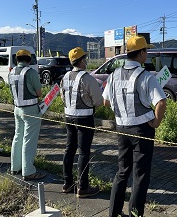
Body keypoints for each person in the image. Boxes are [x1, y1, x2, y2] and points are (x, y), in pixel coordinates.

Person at [103, 35, 167, 217]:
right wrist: (155, 122)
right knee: (140, 176)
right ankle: (135, 214)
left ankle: (113, 213)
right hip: (142, 130)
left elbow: (106, 102)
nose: (147, 53)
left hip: (121, 129)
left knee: (122, 172)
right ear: (141, 53)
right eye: (146, 50)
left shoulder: (114, 75)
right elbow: (161, 103)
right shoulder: (146, 76)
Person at [60, 47, 103, 197]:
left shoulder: (64, 77)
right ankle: (83, 187)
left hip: (68, 117)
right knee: (83, 152)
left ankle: (67, 183)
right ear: (82, 60)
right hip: (85, 118)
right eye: (85, 58)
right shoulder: (88, 78)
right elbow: (98, 101)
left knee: (69, 149)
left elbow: (62, 96)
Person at [9, 49, 46, 180]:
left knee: (18, 137)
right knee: (29, 140)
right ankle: (28, 171)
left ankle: (15, 167)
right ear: (29, 60)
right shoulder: (31, 72)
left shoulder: (12, 72)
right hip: (30, 110)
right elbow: (39, 93)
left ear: (16, 60)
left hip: (17, 108)